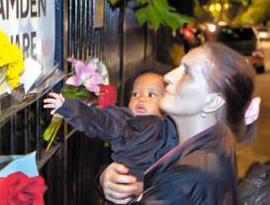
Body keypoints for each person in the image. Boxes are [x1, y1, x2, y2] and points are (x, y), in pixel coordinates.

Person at [98, 42, 260, 204]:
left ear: (212, 102)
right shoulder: (211, 141)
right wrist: (105, 177)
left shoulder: (189, 178)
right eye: (179, 67)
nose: (168, 76)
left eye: (187, 72)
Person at [43, 64, 177, 181]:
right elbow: (99, 119)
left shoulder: (172, 125)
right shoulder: (123, 121)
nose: (141, 99)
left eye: (151, 95)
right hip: (125, 185)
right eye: (135, 94)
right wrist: (68, 107)